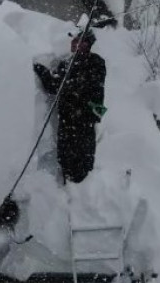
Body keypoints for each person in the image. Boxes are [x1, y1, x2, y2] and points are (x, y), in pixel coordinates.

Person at [33, 28, 107, 184]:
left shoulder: (96, 62)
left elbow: (88, 85)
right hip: (67, 121)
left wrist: (72, 72)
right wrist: (40, 69)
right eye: (72, 41)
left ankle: (81, 187)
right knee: (65, 157)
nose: (72, 44)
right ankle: (67, 186)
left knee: (81, 161)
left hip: (83, 120)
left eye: (76, 41)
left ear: (86, 44)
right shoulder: (66, 64)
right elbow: (54, 86)